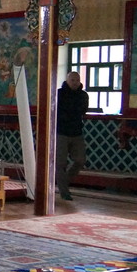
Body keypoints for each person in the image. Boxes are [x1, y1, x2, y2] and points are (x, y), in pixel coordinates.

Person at [56, 70, 90, 201]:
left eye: (77, 80)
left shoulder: (83, 95)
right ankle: (64, 192)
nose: (75, 83)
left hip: (76, 132)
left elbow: (83, 110)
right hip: (61, 132)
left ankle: (64, 181)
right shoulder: (59, 94)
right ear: (67, 81)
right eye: (72, 80)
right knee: (60, 163)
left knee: (81, 160)